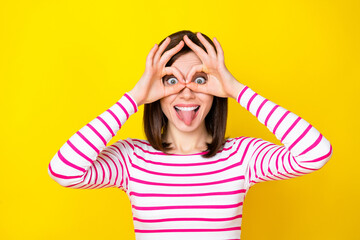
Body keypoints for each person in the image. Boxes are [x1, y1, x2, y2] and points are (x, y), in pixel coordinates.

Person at [48, 30, 333, 240]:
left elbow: (315, 153)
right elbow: (63, 171)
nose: (186, 91)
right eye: (171, 80)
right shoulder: (131, 159)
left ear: (215, 89)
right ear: (156, 91)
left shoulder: (242, 156)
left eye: (200, 79)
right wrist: (135, 97)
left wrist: (235, 89)